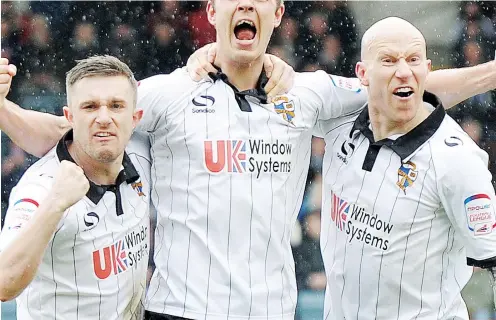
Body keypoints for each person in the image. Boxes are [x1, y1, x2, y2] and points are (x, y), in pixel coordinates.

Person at [3, 1, 496, 319]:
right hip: (180, 311)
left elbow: (401, 87)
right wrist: (2, 108)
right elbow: (70, 131)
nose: (245, 5)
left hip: (271, 312)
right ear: (213, 11)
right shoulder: (171, 93)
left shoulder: (308, 93)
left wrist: (491, 72)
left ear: (277, 13)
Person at [317, 17, 496, 320]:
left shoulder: (458, 161)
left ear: (428, 70)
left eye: (413, 60)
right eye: (387, 60)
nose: (403, 71)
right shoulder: (336, 118)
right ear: (362, 73)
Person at [0, 55, 152, 319]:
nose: (104, 118)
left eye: (116, 106)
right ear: (69, 116)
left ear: (135, 117)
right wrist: (55, 205)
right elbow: (4, 282)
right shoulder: (41, 188)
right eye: (90, 107)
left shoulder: (143, 154)